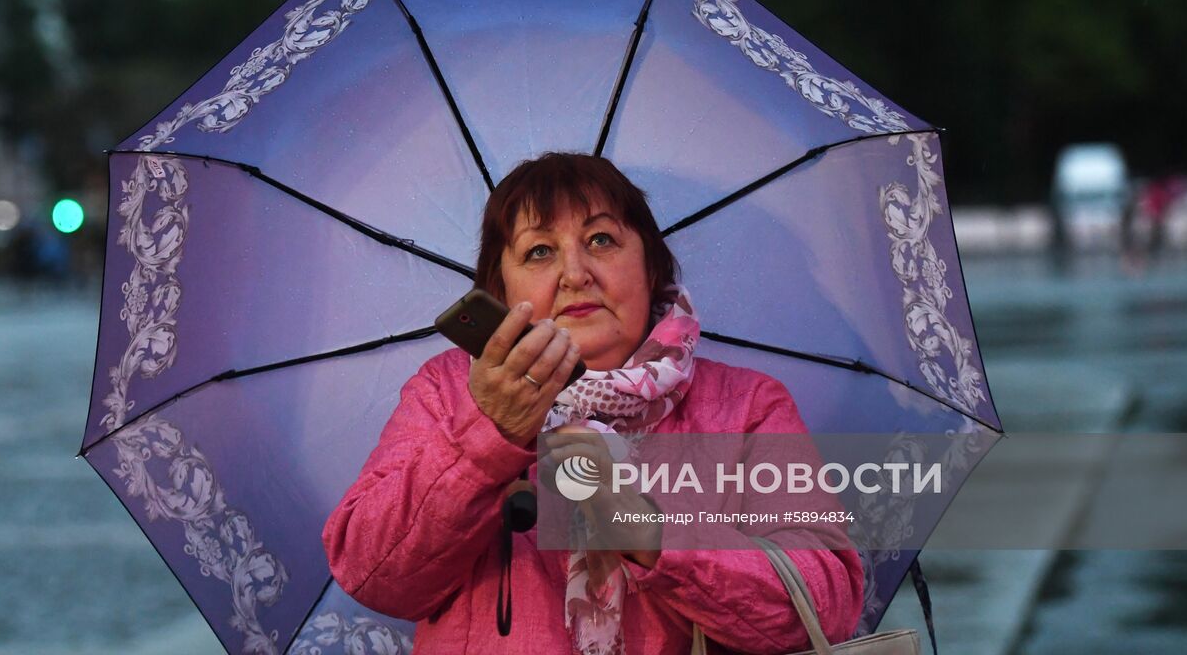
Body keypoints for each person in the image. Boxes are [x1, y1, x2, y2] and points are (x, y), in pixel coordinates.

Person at [323, 153, 863, 654]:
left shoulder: (747, 406)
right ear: (501, 292)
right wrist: (491, 438)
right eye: (539, 251)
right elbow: (375, 575)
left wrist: (648, 533)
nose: (575, 273)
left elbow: (829, 597)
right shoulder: (447, 393)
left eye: (601, 240)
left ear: (652, 270)